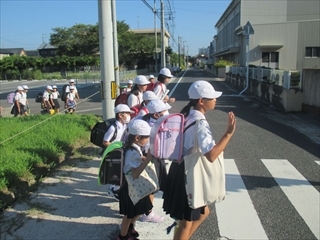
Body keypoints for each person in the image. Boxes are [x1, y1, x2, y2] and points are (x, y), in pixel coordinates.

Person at [162, 80, 236, 240]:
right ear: (202, 101)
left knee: (203, 212)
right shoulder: (200, 123)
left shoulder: (186, 115)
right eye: (212, 97)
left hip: (179, 170)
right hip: (187, 176)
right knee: (186, 222)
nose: (215, 100)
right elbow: (211, 155)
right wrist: (228, 134)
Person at [117, 119, 153, 240]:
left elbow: (135, 161)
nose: (147, 140)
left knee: (138, 210)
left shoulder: (133, 147)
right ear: (137, 138)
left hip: (134, 187)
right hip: (129, 188)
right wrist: (147, 160)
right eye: (146, 137)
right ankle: (122, 236)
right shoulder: (132, 152)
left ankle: (130, 228)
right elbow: (135, 174)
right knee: (129, 214)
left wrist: (143, 158)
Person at [139, 99, 172, 223]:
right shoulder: (154, 125)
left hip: (149, 157)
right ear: (156, 114)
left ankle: (146, 210)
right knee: (151, 185)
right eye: (163, 111)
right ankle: (147, 213)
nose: (166, 113)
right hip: (151, 157)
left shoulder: (145, 120)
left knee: (150, 185)